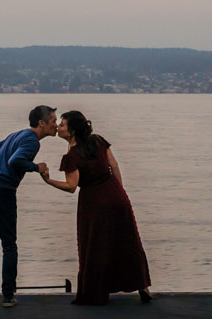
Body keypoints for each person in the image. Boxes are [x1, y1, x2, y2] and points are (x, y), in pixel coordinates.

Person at [38, 109, 153, 306]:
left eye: (62, 124)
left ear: (72, 131)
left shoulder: (72, 157)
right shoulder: (99, 141)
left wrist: (48, 181)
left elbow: (71, 187)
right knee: (128, 242)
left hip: (93, 201)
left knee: (96, 246)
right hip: (116, 194)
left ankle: (96, 292)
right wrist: (120, 192)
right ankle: (142, 286)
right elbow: (114, 166)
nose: (58, 127)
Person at [0, 105, 58, 307]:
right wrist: (37, 167)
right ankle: (8, 295)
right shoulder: (33, 141)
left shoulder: (15, 135)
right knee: (9, 243)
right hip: (2, 191)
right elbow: (17, 160)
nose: (57, 126)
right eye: (53, 121)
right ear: (41, 123)